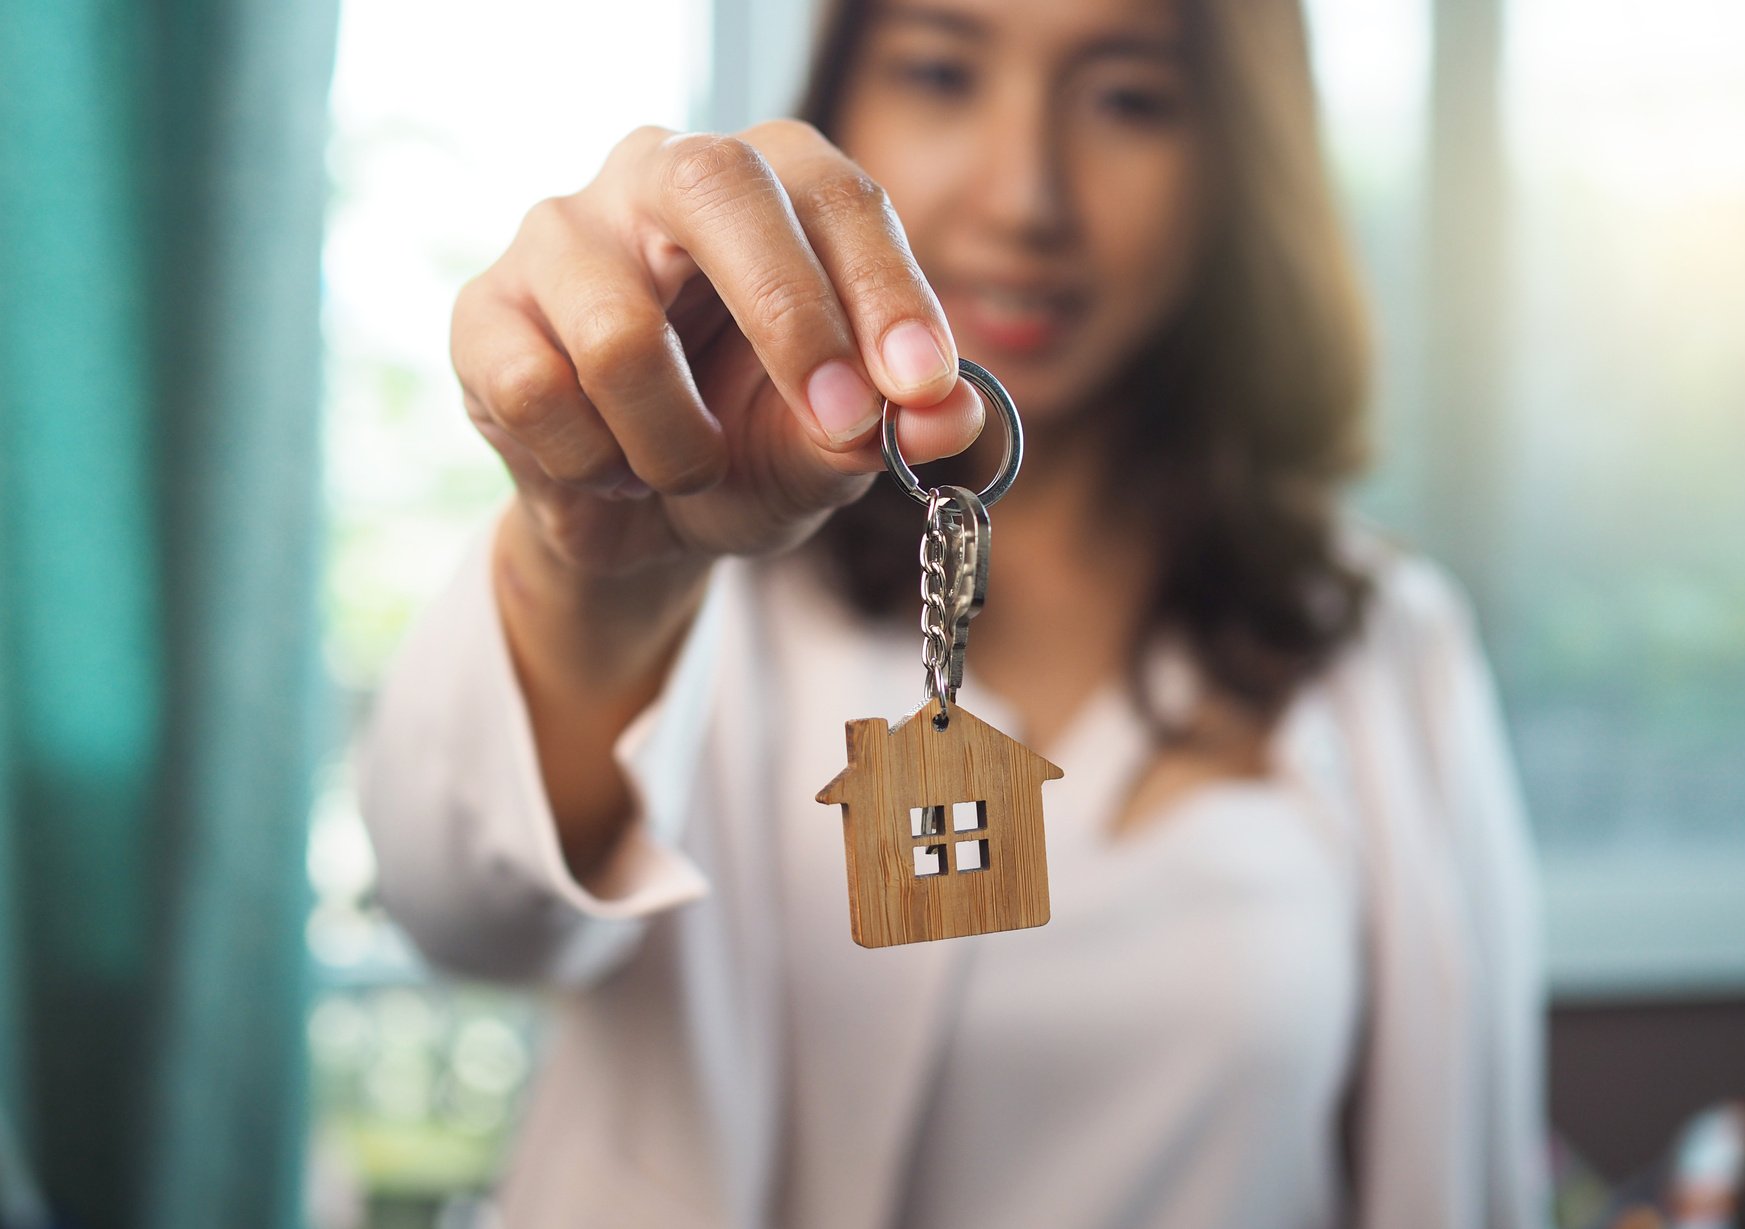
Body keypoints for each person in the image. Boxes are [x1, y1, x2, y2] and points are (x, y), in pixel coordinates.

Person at [358, 0, 1549, 1224]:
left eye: (1129, 96)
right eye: (940, 71)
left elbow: (1458, 1173)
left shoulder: (1385, 644)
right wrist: (598, 568)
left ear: (1236, 159)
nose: (1025, 194)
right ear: (838, 106)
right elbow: (463, 906)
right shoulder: (704, 557)